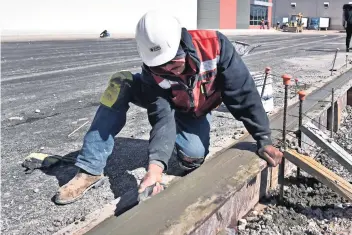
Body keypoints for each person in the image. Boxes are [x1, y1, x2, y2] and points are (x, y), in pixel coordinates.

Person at [54, 11, 283, 205]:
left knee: (193, 158)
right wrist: (155, 169)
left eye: (172, 63)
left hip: (195, 108)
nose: (169, 72)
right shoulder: (153, 72)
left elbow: (243, 94)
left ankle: (183, 142)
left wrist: (263, 138)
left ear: (181, 45)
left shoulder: (215, 46)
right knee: (120, 82)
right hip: (167, 101)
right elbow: (162, 116)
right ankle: (90, 169)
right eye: (161, 68)